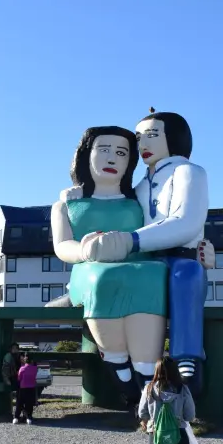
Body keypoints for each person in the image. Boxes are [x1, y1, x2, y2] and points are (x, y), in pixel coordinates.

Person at [63, 109, 210, 399]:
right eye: (140, 138)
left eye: (153, 135)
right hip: (145, 259)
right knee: (133, 279)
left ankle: (186, 355)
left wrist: (131, 240)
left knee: (186, 276)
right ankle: (126, 359)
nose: (143, 144)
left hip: (179, 255)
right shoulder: (141, 185)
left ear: (175, 138)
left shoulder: (188, 172)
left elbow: (187, 220)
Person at [51, 126, 169, 406]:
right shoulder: (67, 204)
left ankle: (145, 369)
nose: (112, 159)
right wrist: (84, 249)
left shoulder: (139, 200)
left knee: (152, 275)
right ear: (85, 155)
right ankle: (117, 362)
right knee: (100, 277)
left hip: (139, 268)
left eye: (121, 152)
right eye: (104, 150)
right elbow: (61, 246)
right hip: (89, 268)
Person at [14, 355, 39, 425]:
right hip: (32, 388)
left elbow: (19, 378)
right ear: (32, 361)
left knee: (20, 403)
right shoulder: (35, 369)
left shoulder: (22, 368)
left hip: (23, 388)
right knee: (29, 404)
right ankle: (29, 418)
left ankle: (16, 417)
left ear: (25, 361)